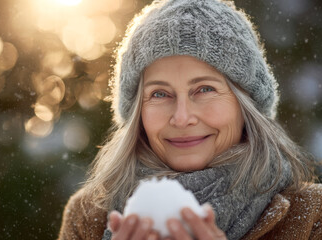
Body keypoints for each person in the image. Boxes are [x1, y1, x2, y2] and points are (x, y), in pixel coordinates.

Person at [58, 0, 322, 239]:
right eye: (160, 94)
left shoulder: (312, 216)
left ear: (245, 103)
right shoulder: (87, 217)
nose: (182, 118)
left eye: (204, 89)